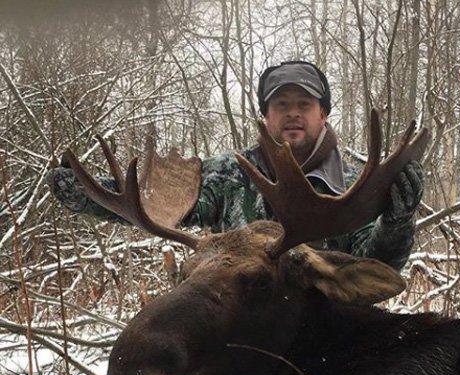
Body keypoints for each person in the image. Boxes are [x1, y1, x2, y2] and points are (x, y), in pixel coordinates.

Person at [48, 61, 424, 271]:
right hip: (244, 335)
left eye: (304, 103)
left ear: (323, 114)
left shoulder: (358, 179)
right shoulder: (231, 173)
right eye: (281, 104)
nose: (293, 112)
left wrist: (397, 221)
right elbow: (158, 202)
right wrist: (87, 195)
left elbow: (377, 268)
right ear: (265, 115)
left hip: (327, 332)